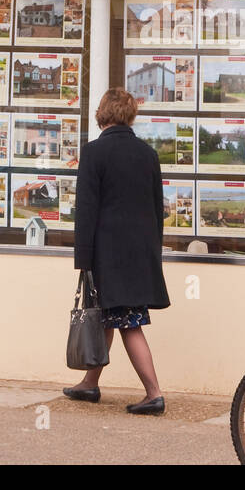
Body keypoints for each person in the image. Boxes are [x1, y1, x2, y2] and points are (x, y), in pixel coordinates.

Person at [63, 88, 171, 414]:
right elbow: (157, 211)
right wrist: (153, 253)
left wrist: (83, 259)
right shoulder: (148, 154)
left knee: (127, 322)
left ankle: (153, 394)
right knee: (109, 318)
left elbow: (86, 211)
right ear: (130, 114)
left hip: (108, 254)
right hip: (139, 254)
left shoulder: (94, 152)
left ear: (102, 113)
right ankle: (89, 383)